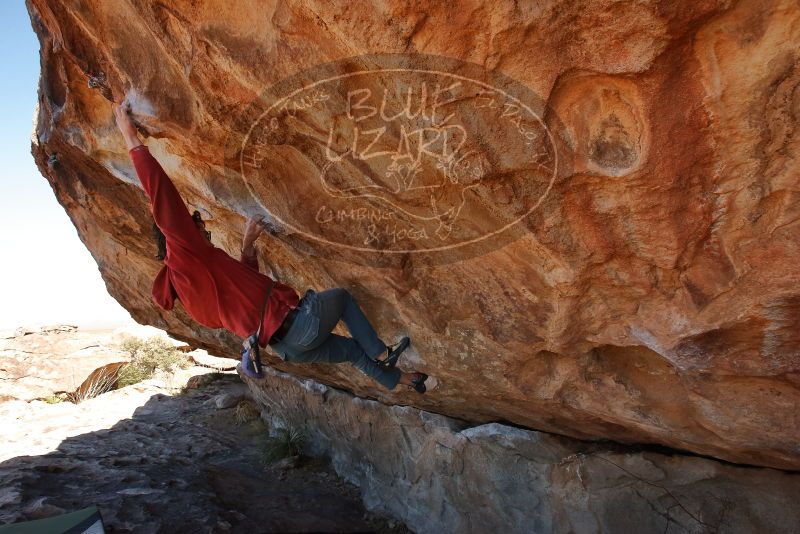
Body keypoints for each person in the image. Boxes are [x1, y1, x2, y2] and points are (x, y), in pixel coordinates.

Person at [112, 102, 428, 393]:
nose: (204, 230)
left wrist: (248, 246)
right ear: (179, 235)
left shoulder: (193, 297)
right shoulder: (185, 254)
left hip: (289, 349)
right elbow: (161, 195)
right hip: (297, 326)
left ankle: (401, 380)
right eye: (199, 227)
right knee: (342, 299)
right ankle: (382, 353)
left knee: (350, 351)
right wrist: (130, 137)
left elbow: (246, 298)